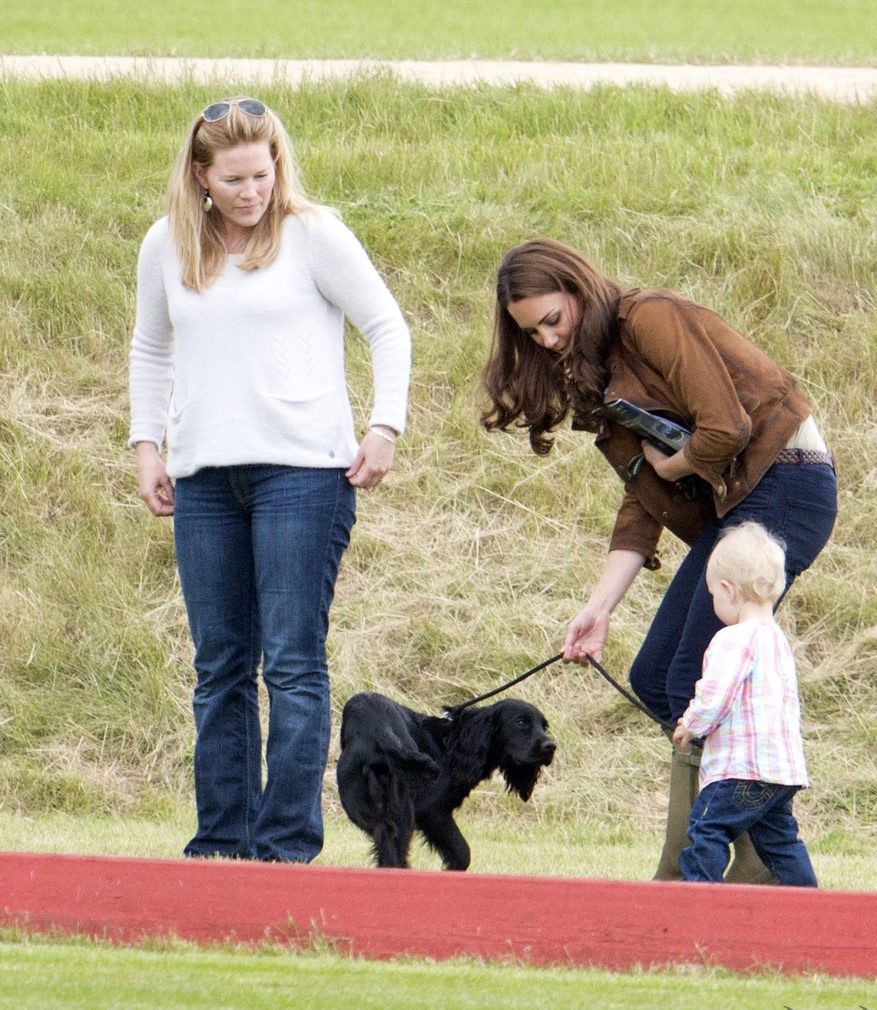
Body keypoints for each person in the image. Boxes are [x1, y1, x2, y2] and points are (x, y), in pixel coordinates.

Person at [481, 238, 836, 883]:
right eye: (532, 335)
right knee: (653, 679)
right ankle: (752, 859)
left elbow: (724, 427)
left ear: (579, 289)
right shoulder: (596, 377)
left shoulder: (647, 317)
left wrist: (673, 462)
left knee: (688, 682)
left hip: (787, 481)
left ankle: (704, 872)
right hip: (739, 504)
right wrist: (598, 607)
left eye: (553, 321)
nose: (549, 342)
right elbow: (644, 502)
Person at [128, 97, 411, 862]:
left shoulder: (313, 235)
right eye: (236, 178)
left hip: (304, 475)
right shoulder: (167, 244)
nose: (254, 191)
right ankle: (221, 840)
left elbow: (387, 325)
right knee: (219, 666)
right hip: (205, 480)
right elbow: (152, 351)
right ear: (201, 177)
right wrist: (147, 445)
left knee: (290, 661)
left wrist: (385, 425)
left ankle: (284, 846)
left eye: (264, 173)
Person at [672, 522, 817, 886]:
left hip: (740, 770)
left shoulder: (731, 639)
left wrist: (691, 725)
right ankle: (811, 902)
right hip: (780, 772)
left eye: (713, 596)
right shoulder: (778, 640)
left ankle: (703, 904)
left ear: (728, 590)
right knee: (782, 844)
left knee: (707, 830)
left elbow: (716, 694)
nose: (714, 604)